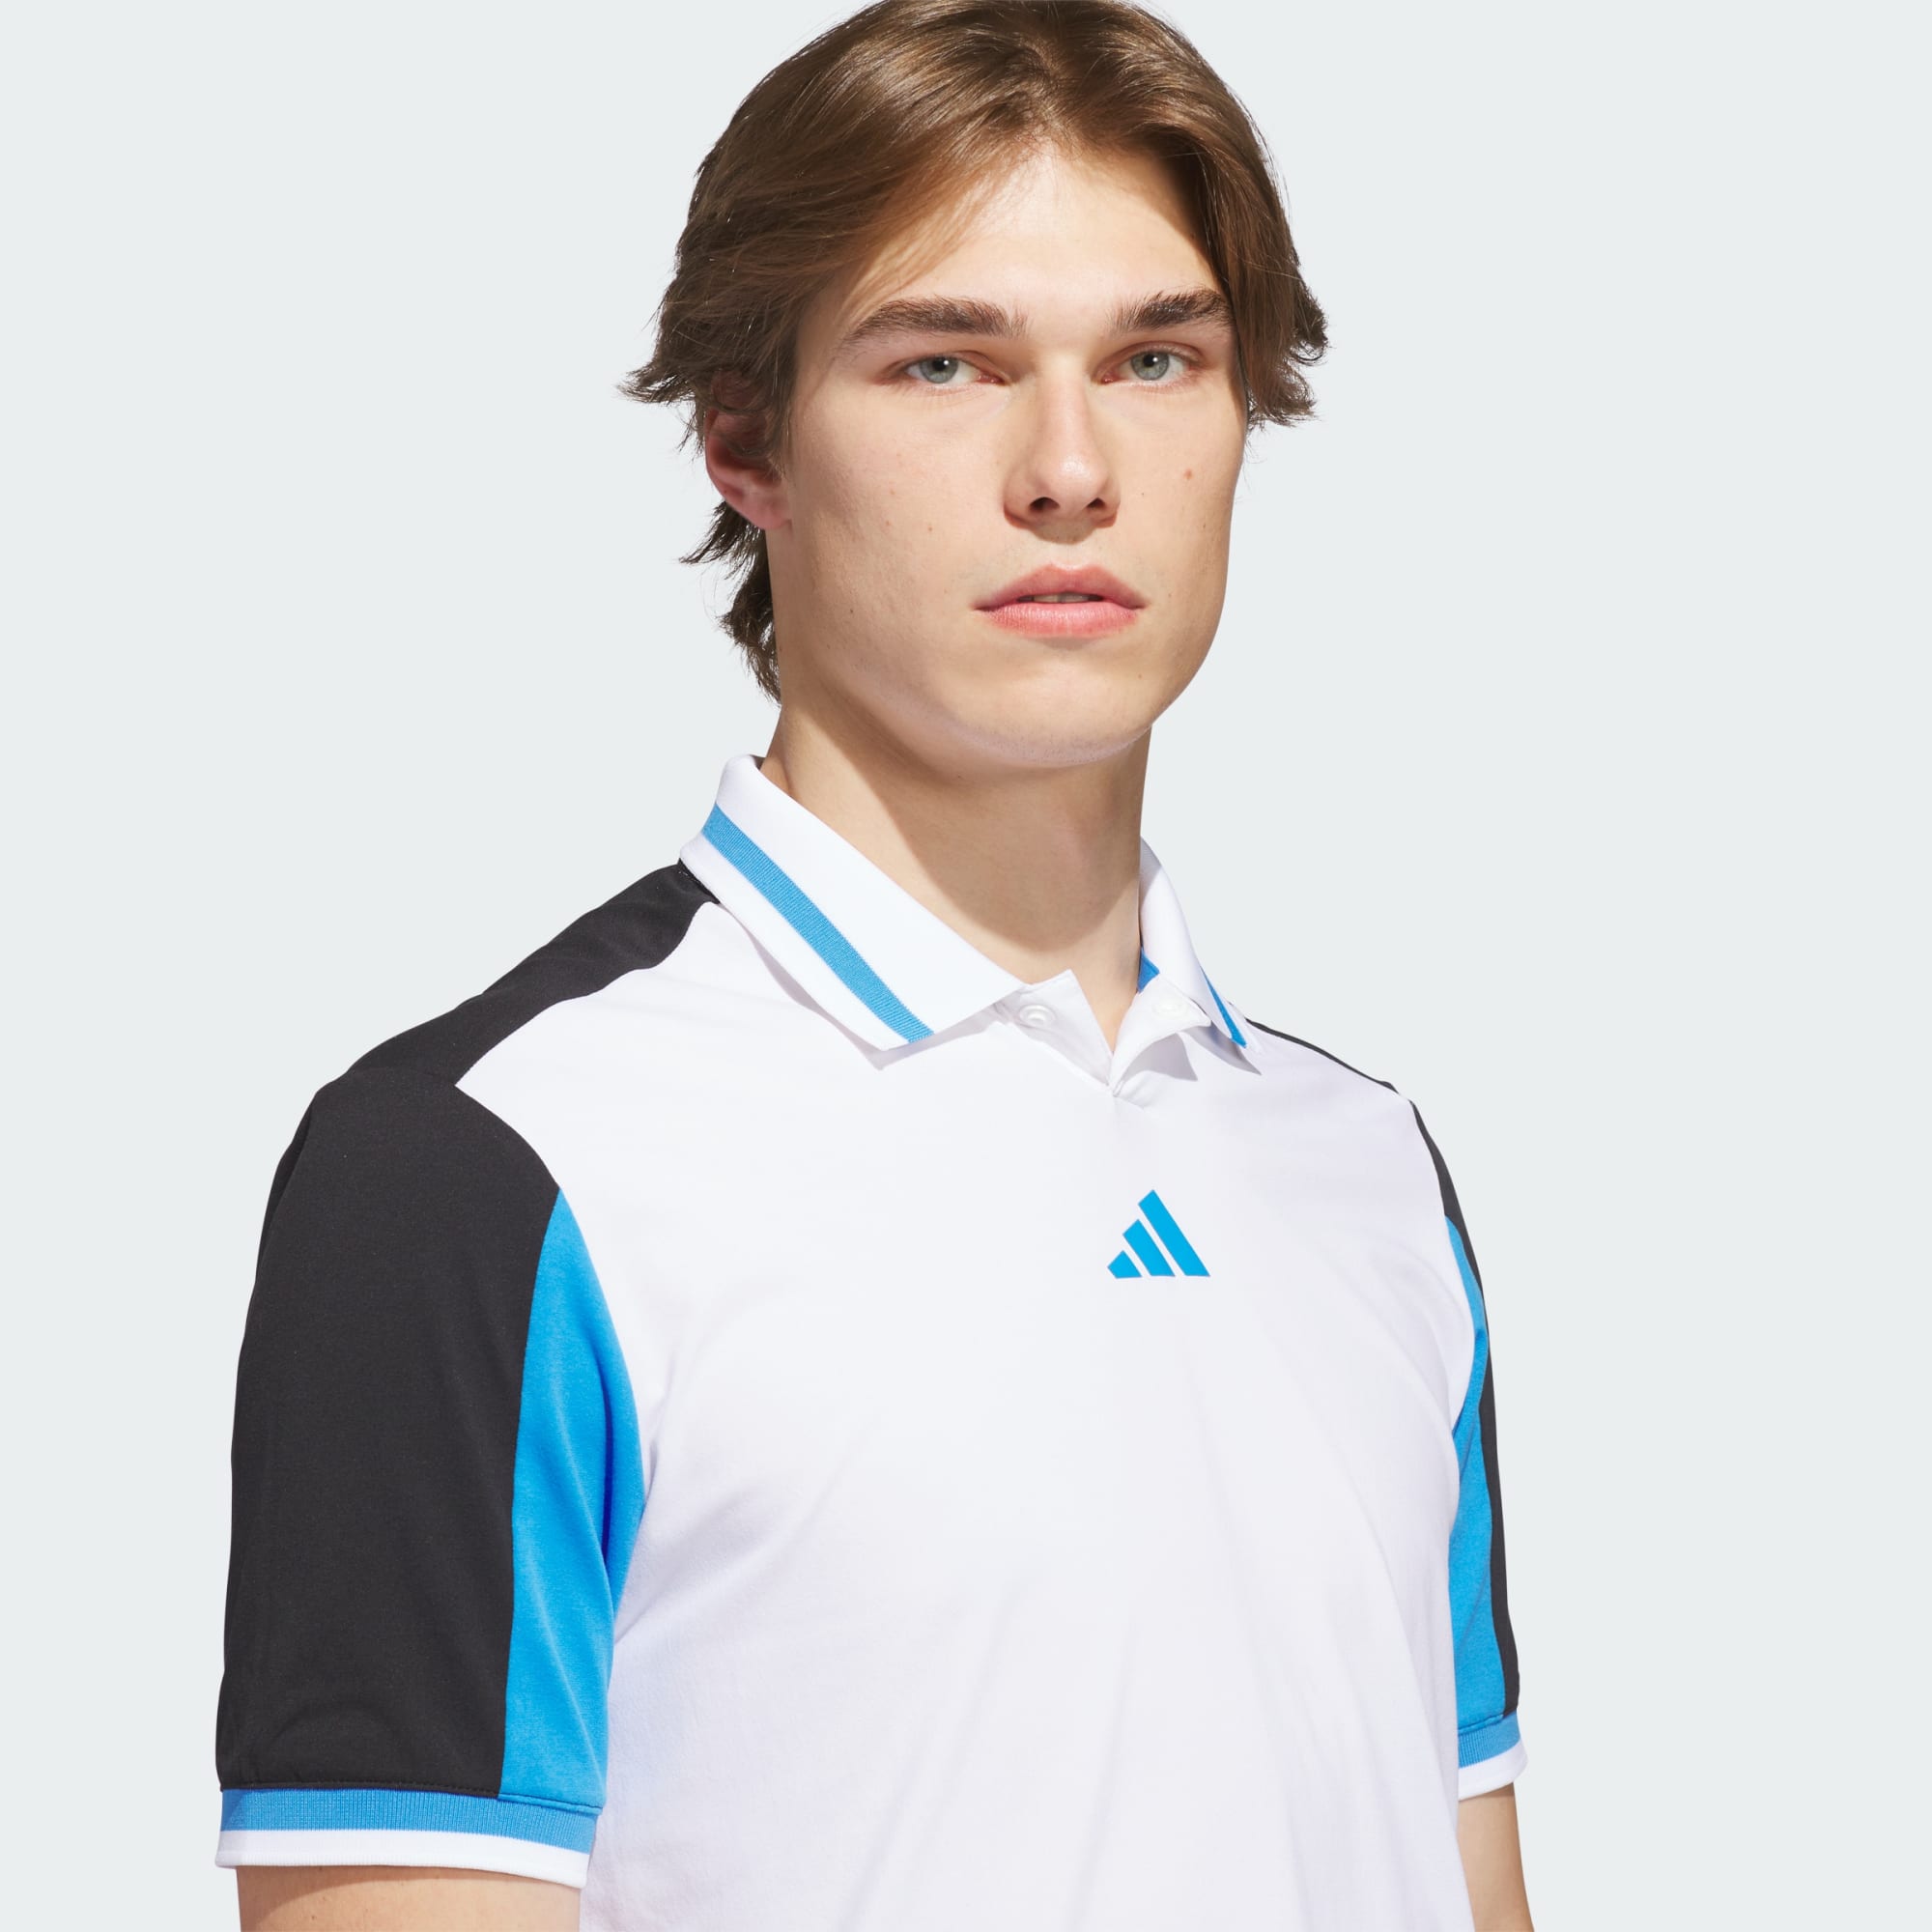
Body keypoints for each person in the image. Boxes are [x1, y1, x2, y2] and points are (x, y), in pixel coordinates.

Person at [213, 3, 1535, 1927]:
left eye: (1155, 358)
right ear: (745, 438)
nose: (1070, 467)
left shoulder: (1368, 1169)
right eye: (944, 363)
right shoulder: (485, 1167)